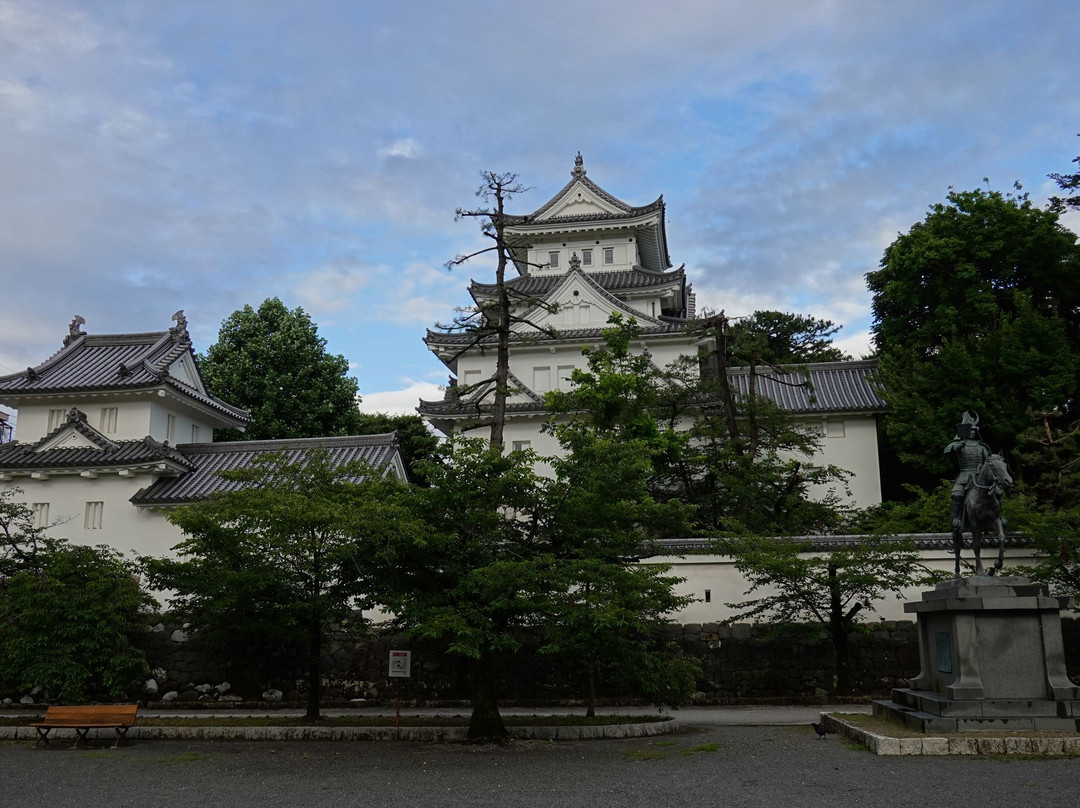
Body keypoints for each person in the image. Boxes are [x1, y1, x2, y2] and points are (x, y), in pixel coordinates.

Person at [944, 411, 990, 533]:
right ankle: (955, 520)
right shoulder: (959, 445)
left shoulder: (982, 446)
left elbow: (989, 461)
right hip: (964, 475)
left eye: (974, 430)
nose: (973, 432)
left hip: (980, 475)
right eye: (970, 430)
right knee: (957, 495)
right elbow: (948, 451)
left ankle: (999, 517)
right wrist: (960, 443)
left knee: (996, 492)